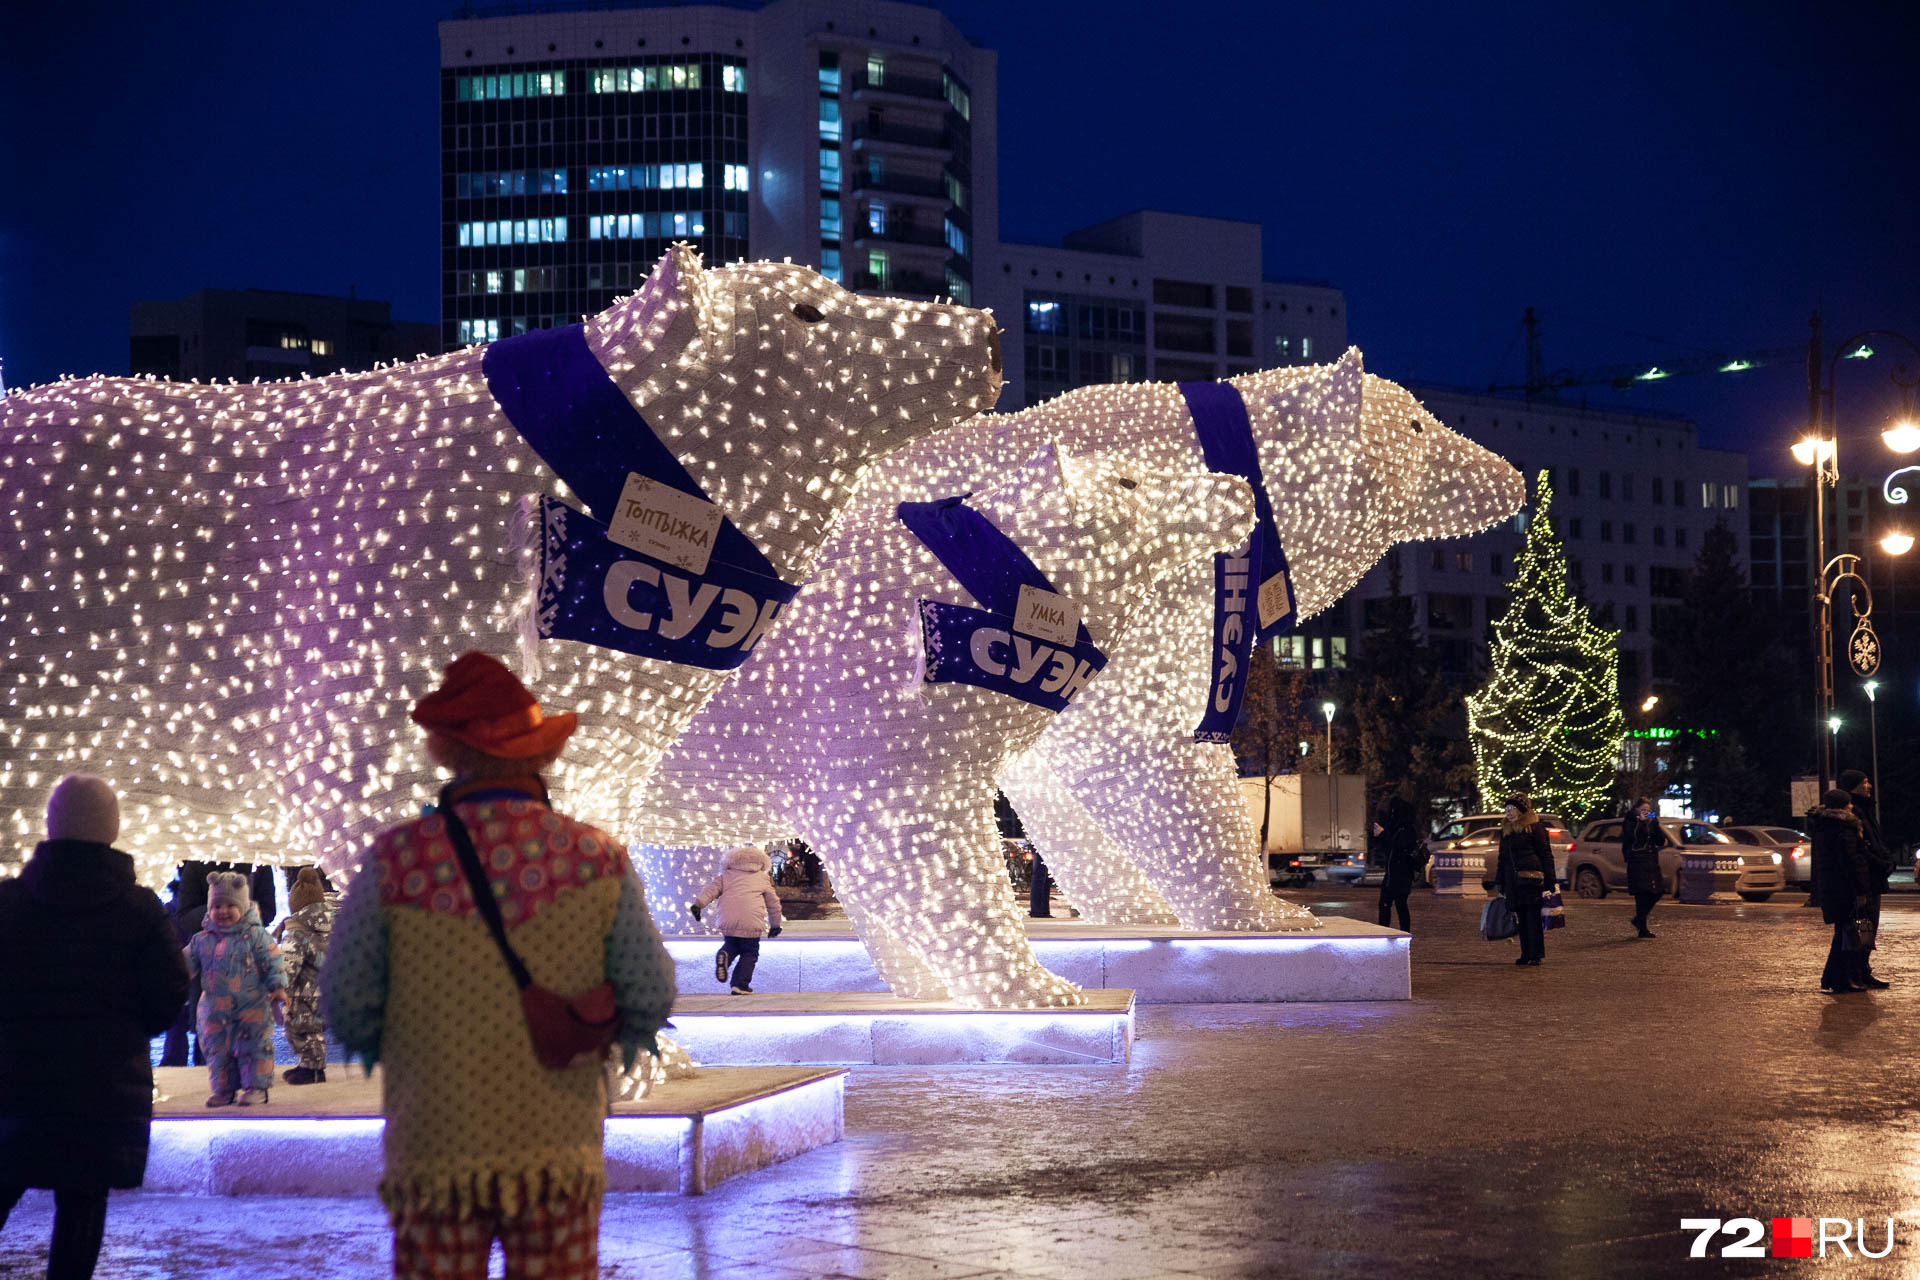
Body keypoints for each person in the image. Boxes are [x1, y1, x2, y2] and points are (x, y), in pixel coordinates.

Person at [323, 652, 675, 1280]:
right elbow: (649, 990)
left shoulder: (396, 861)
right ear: (538, 754)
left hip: (436, 1143)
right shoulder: (596, 856)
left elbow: (348, 999)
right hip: (556, 1146)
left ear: (444, 750)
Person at [0, 775, 190, 1280]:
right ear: (112, 828)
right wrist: (128, 1035)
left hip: (15, 1082)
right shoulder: (139, 909)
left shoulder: (9, 905)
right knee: (82, 1203)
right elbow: (171, 990)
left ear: (50, 825)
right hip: (101, 1088)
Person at [184, 872, 287, 1106]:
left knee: (253, 1048)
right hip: (214, 1009)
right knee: (217, 1052)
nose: (223, 910)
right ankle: (223, 1090)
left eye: (231, 905)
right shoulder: (201, 940)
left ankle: (257, 1087)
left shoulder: (255, 936)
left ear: (243, 906)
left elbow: (273, 960)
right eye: (217, 905)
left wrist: (278, 986)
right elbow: (185, 964)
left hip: (251, 1008)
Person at [1810, 787, 1878, 993]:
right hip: (1844, 888)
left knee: (1842, 934)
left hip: (1833, 887)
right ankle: (1841, 980)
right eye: (1848, 803)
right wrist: (1861, 890)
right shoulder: (1843, 828)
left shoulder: (1825, 826)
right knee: (1845, 935)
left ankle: (1832, 978)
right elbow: (1853, 862)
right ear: (1843, 805)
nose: (1851, 806)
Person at [690, 845, 784, 994]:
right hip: (751, 921)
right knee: (750, 953)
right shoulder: (762, 878)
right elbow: (773, 903)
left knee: (732, 944)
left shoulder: (726, 876)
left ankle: (725, 954)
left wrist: (698, 904)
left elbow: (711, 891)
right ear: (761, 862)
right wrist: (775, 925)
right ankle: (740, 985)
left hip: (729, 919)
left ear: (730, 861)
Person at [275, 867, 334, 1084]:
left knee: (301, 1029)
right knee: (314, 1029)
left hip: (302, 993)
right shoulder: (329, 928)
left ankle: (313, 1069)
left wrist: (279, 987)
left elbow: (289, 966)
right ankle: (310, 1066)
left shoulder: (297, 933)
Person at [1484, 792, 1555, 965]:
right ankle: (1526, 953)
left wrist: (1550, 880)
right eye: (1506, 808)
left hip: (1531, 878)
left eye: (1512, 808)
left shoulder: (1534, 827)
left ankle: (1536, 954)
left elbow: (1545, 853)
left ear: (1521, 810)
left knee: (1532, 917)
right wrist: (1500, 880)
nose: (1508, 812)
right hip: (1513, 880)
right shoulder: (1506, 830)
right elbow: (1503, 857)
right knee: (1521, 917)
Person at [1838, 769, 1893, 988]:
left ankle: (1863, 971)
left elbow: (1875, 842)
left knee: (1869, 928)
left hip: (1873, 877)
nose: (1868, 785)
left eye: (1868, 781)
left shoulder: (1866, 809)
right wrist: (1881, 862)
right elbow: (1860, 849)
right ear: (1853, 786)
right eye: (1864, 782)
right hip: (1865, 878)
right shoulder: (1855, 813)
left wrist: (1886, 860)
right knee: (1862, 927)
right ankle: (1856, 973)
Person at [159, 864, 208, 1067]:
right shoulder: (203, 908)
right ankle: (203, 1063)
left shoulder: (170, 909)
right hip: (198, 971)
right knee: (202, 1024)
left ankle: (174, 1063)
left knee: (178, 1026)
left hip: (178, 971)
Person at [1373, 784, 1418, 932]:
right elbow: (1391, 847)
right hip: (1399, 875)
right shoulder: (1404, 828)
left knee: (1388, 904)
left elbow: (1397, 846)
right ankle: (1401, 930)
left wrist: (1383, 834)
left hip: (1398, 875)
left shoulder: (1405, 829)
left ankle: (1387, 930)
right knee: (1399, 905)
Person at [1622, 798, 1666, 938]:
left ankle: (1639, 920)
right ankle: (1642, 927)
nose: (1646, 813)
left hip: (1651, 860)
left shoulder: (1652, 821)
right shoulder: (1631, 820)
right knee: (1642, 894)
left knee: (1658, 891)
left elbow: (1660, 839)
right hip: (1637, 861)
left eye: (1648, 810)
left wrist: (1655, 823)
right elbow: (1634, 840)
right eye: (1643, 810)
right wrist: (1641, 823)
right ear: (1636, 810)